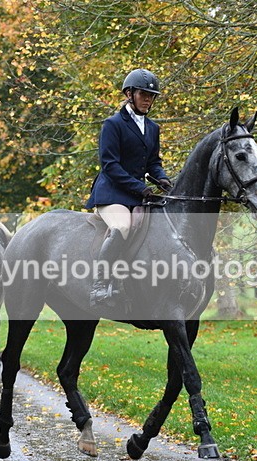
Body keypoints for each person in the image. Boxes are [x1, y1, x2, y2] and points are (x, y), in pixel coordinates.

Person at [84, 68, 172, 306]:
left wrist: (162, 179)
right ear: (129, 93)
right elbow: (110, 165)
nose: (148, 99)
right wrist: (139, 187)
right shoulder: (113, 124)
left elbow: (153, 162)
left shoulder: (152, 128)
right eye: (143, 94)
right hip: (111, 193)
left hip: (136, 195)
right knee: (122, 226)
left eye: (152, 95)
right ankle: (100, 286)